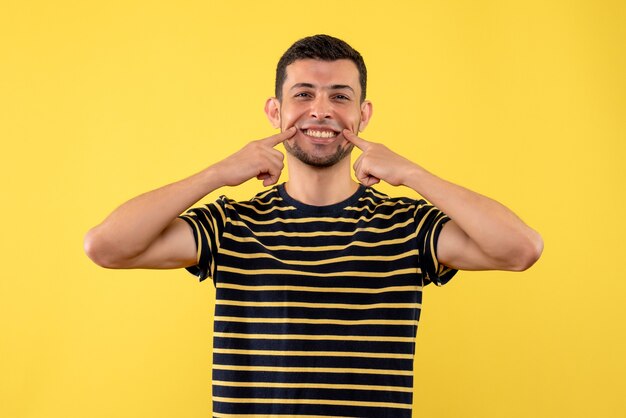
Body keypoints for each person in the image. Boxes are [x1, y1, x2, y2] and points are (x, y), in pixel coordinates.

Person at [84, 34, 543, 418]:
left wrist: (414, 175)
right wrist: (217, 173)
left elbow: (520, 249)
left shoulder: (407, 226)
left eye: (339, 96)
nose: (320, 110)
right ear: (275, 111)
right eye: (303, 94)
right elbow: (106, 247)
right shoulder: (232, 223)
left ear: (362, 115)